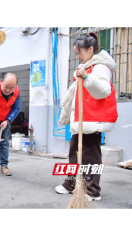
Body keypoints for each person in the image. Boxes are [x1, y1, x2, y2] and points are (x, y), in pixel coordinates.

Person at [55, 32, 118, 201]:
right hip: (81, 120)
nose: (78, 57)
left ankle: (92, 190)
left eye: (79, 52)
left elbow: (104, 91)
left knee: (90, 156)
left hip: (93, 119)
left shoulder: (100, 67)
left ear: (90, 49)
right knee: (74, 154)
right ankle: (71, 184)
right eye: (75, 53)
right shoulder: (87, 67)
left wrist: (87, 77)